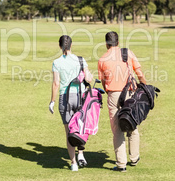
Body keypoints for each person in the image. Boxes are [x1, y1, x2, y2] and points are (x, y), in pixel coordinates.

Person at [98, 31, 146, 172]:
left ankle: (121, 164)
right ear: (118, 42)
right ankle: (134, 157)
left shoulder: (102, 59)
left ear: (106, 43)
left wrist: (109, 91)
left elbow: (103, 80)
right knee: (132, 123)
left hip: (113, 95)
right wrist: (145, 87)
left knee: (117, 129)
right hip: (130, 93)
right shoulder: (128, 53)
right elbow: (139, 73)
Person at [49, 35, 93, 171]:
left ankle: (73, 163)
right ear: (71, 45)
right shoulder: (80, 60)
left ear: (60, 46)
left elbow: (56, 83)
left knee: (69, 131)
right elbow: (89, 79)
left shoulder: (57, 62)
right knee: (80, 127)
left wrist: (52, 101)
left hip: (65, 98)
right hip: (80, 97)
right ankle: (81, 153)